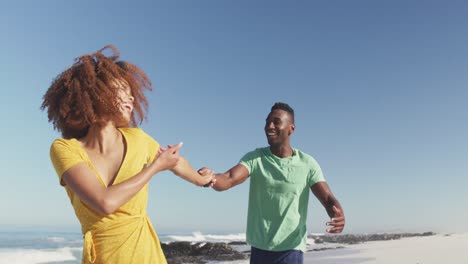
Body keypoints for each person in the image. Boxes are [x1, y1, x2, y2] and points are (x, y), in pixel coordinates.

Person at [41, 45, 215, 264]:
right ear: (96, 93)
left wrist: (203, 180)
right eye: (122, 90)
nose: (131, 98)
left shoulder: (138, 139)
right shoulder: (65, 149)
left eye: (132, 94)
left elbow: (175, 161)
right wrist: (154, 168)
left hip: (146, 254)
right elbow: (105, 202)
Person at [206, 102, 345, 264]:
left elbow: (327, 197)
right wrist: (211, 178)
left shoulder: (307, 163)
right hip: (260, 250)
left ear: (291, 129)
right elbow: (228, 178)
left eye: (276, 122)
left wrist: (338, 213)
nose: (269, 126)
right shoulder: (255, 158)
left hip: (291, 249)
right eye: (267, 122)